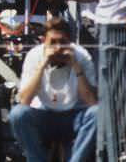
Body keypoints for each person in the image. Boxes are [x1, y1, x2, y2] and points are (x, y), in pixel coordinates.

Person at [9, 17, 97, 162]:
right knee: (18, 114)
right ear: (44, 41)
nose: (58, 48)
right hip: (44, 116)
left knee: (96, 113)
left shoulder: (82, 55)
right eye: (53, 42)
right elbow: (24, 100)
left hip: (74, 117)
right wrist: (43, 64)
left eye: (63, 42)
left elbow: (91, 101)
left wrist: (75, 65)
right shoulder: (34, 55)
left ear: (70, 42)